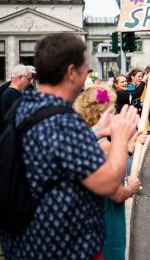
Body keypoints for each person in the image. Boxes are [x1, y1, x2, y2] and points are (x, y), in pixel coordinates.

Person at [0, 33, 138, 259]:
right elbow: (106, 183)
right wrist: (121, 138)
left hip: (23, 243)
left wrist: (96, 130)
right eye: (85, 69)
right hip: (61, 248)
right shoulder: (65, 121)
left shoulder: (26, 105)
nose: (86, 76)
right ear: (72, 72)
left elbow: (52, 147)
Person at [73, 85, 144, 260]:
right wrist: (131, 187)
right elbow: (116, 194)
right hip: (105, 221)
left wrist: (127, 146)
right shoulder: (104, 145)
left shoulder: (81, 138)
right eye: (113, 111)